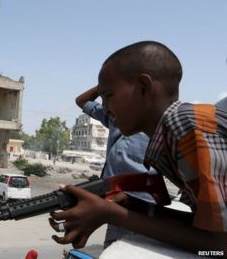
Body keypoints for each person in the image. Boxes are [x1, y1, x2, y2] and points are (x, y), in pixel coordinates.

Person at [49, 41, 227, 252]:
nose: (104, 109)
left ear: (144, 87)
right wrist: (136, 207)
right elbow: (205, 230)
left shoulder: (184, 125)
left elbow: (219, 247)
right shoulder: (168, 138)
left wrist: (111, 214)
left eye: (109, 95)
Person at [75, 85, 155, 248]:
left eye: (110, 96)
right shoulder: (114, 117)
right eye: (103, 98)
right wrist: (104, 84)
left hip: (142, 208)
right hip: (114, 204)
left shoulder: (156, 124)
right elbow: (82, 101)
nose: (105, 105)